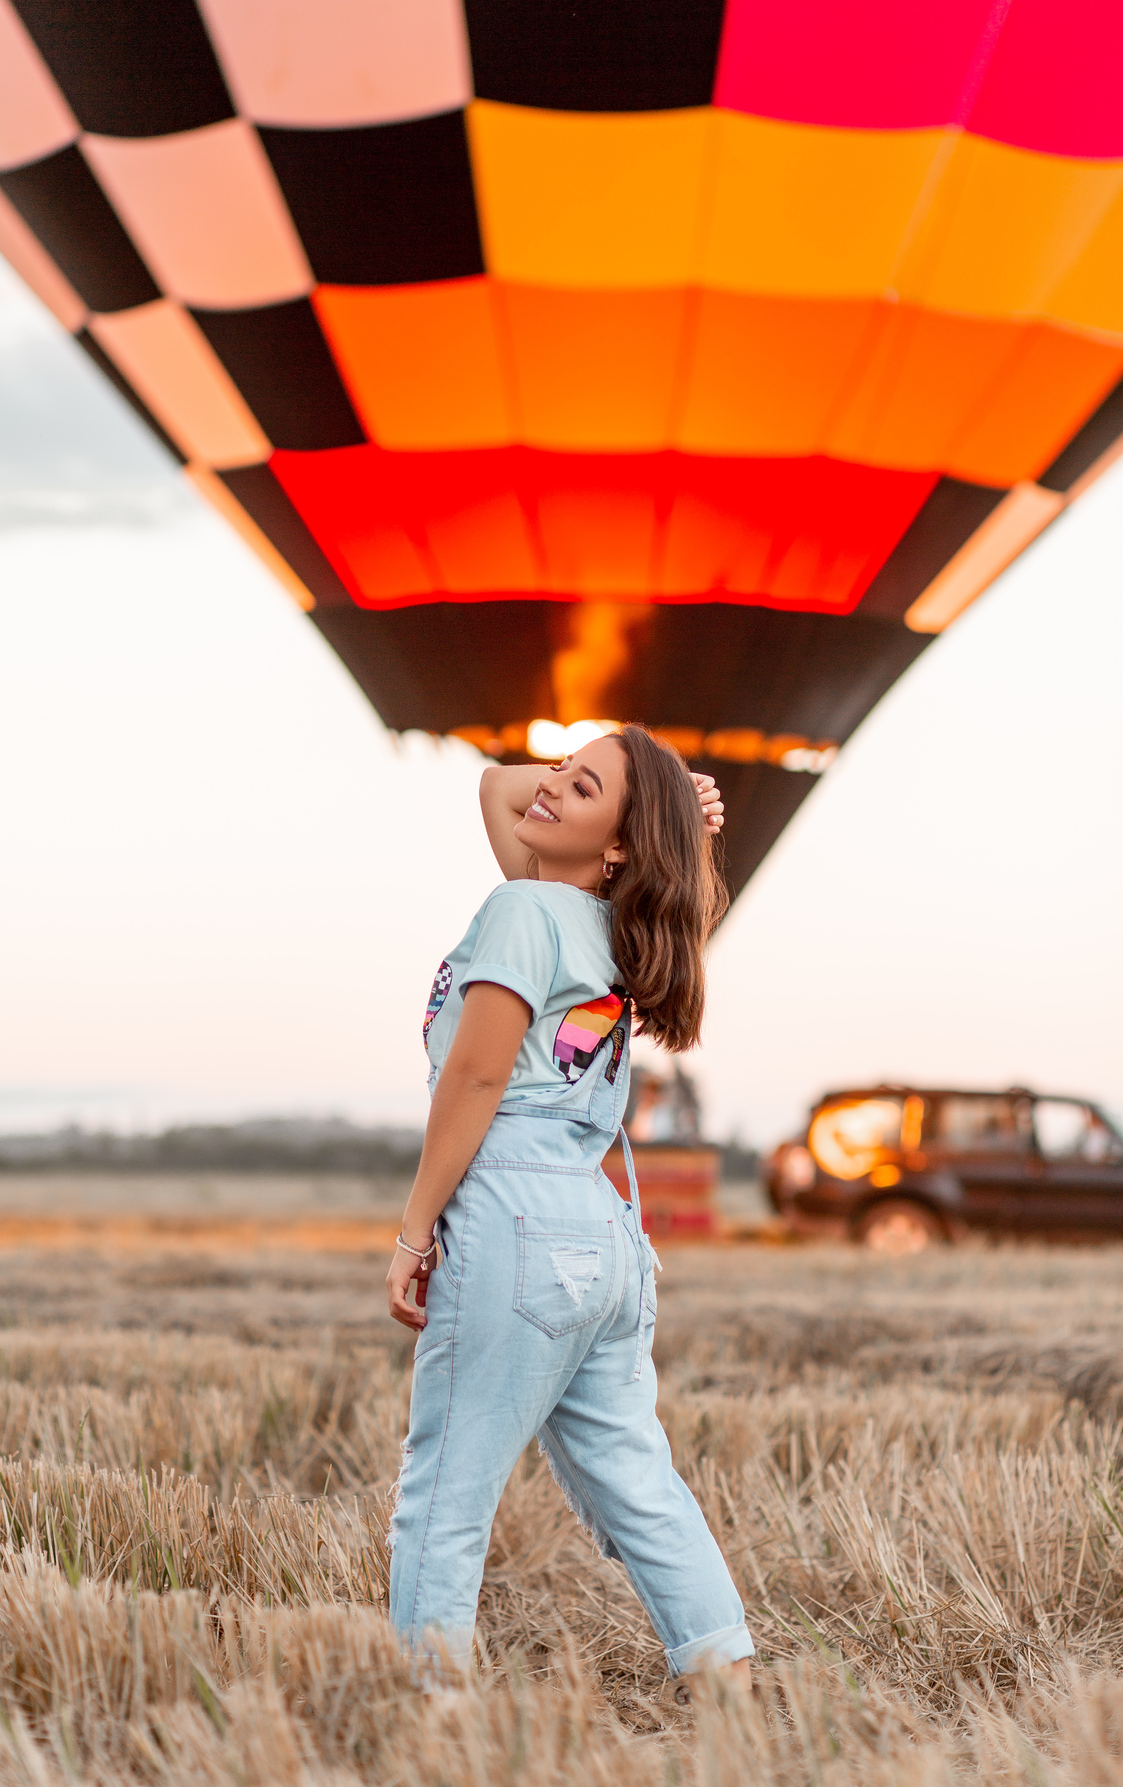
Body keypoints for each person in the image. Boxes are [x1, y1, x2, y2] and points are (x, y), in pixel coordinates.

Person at [384, 726, 754, 1693]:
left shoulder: (523, 909)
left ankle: (433, 1708)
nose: (544, 790)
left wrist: (415, 1229)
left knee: (446, 1491)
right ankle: (728, 1679)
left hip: (512, 1215)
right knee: (636, 1480)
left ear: (620, 844)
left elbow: (474, 1077)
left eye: (579, 786)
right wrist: (660, 794)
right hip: (601, 1232)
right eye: (560, 768)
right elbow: (497, 785)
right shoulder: (606, 923)